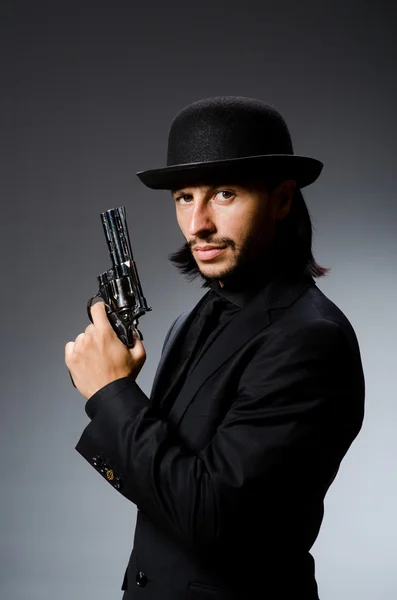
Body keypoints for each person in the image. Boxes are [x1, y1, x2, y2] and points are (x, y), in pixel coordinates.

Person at [65, 96, 365, 600]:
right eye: (185, 197)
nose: (197, 223)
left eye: (224, 194)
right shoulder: (192, 320)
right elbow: (168, 489)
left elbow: (213, 519)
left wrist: (112, 393)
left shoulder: (310, 340)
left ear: (283, 199)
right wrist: (114, 391)